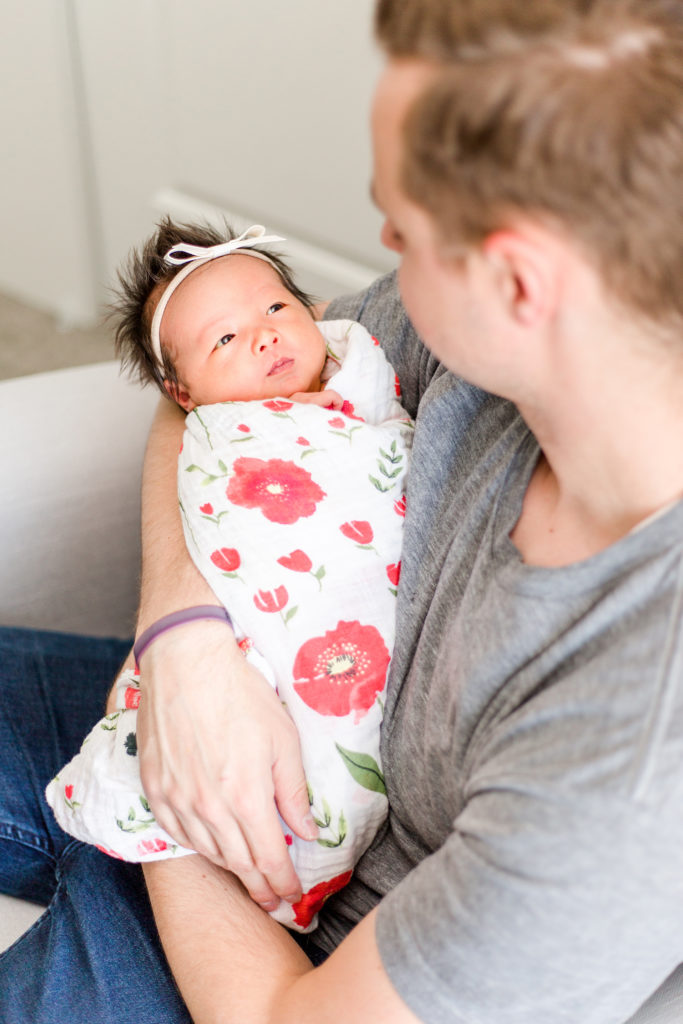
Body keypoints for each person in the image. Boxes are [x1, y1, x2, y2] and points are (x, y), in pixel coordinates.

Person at [1, 0, 682, 1021]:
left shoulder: (628, 764)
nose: (376, 252)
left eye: (401, 229)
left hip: (274, 939)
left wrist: (165, 799)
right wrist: (183, 645)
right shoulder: (487, 345)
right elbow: (207, 389)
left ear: (516, 281)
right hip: (197, 696)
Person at [44, 218, 412, 931]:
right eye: (224, 339)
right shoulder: (220, 431)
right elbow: (212, 503)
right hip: (212, 669)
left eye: (275, 308)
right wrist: (179, 638)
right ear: (184, 393)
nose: (265, 335)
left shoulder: (363, 377)